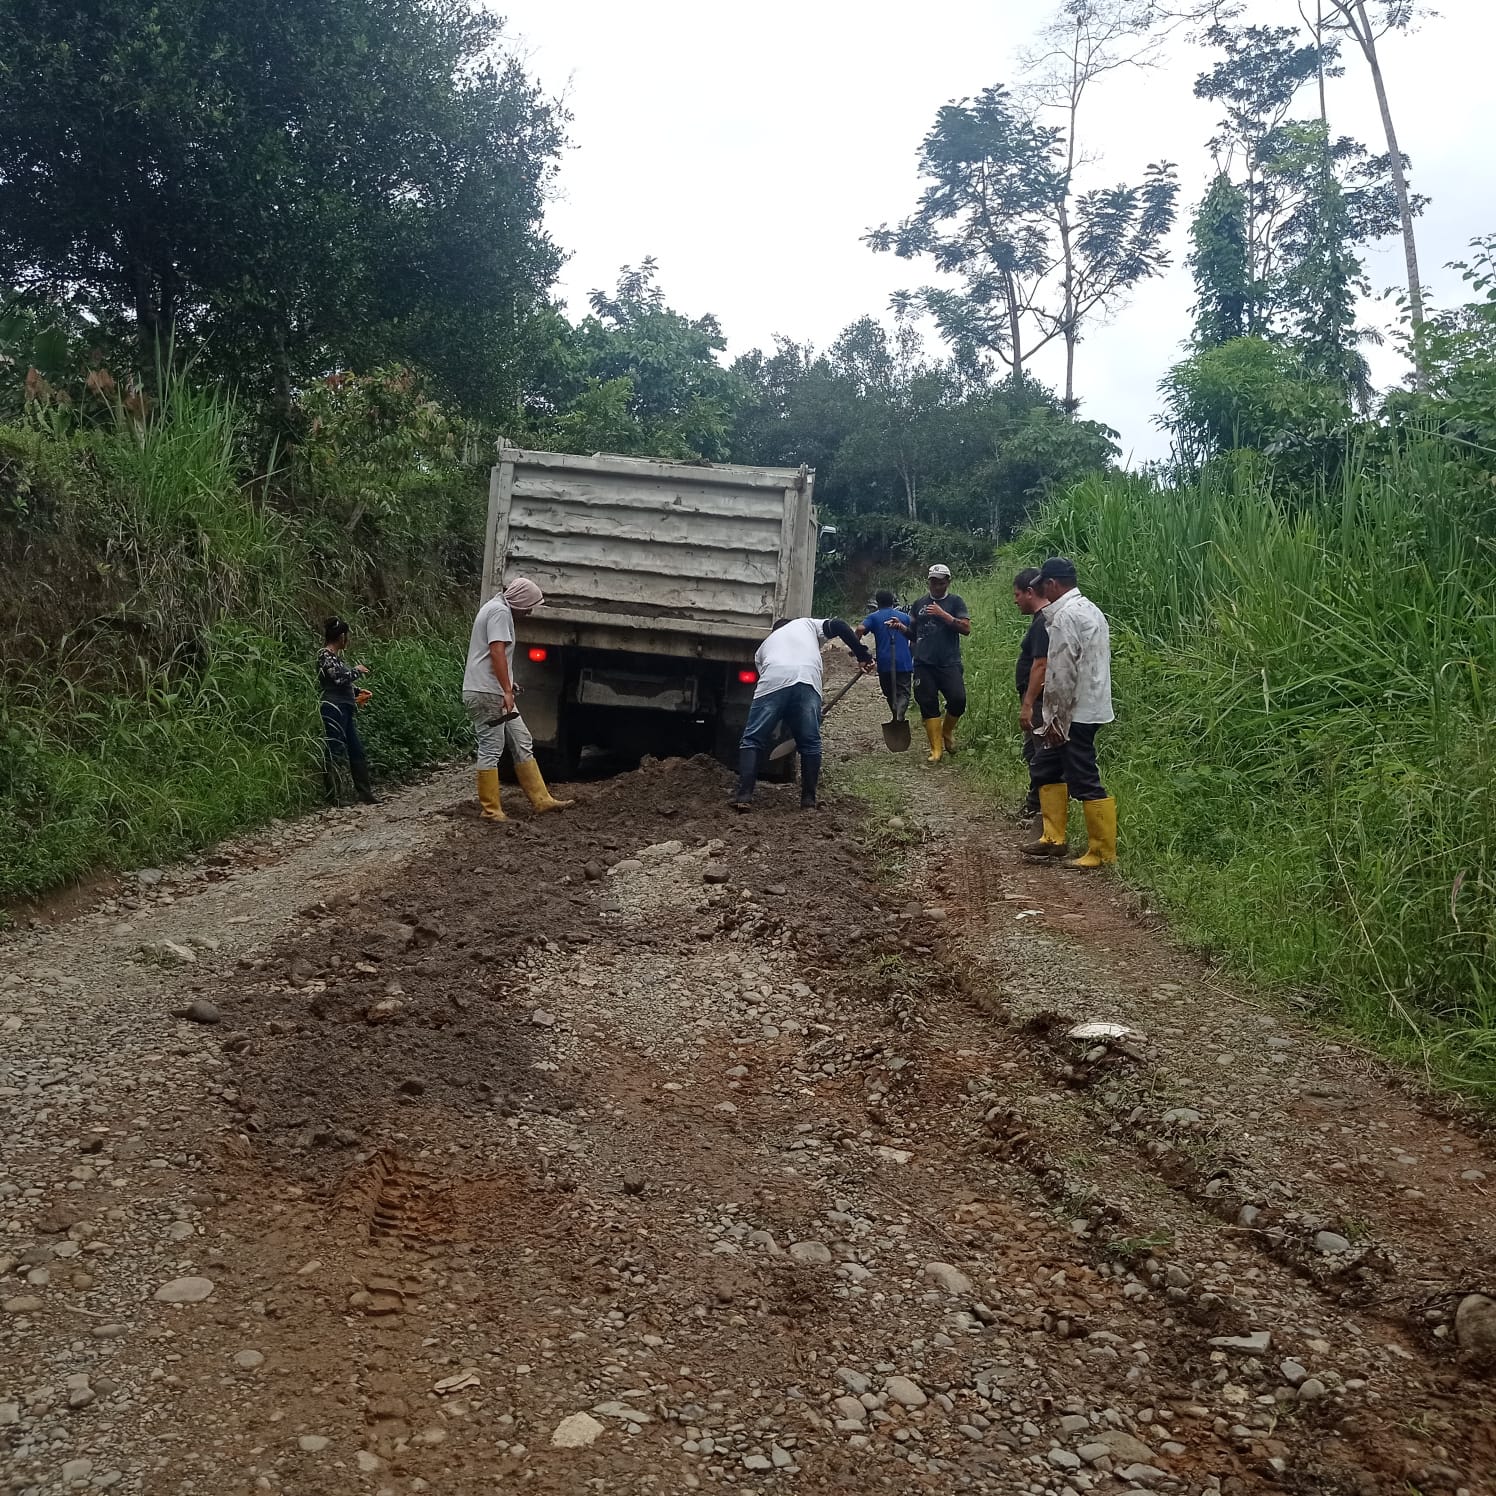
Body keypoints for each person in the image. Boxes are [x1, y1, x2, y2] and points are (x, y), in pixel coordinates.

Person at [1023, 555, 1116, 868]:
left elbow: (1061, 674)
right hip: (1091, 703)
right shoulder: (1090, 609)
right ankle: (1053, 838)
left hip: (1075, 712)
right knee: (1045, 767)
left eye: (1043, 585)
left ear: (1052, 584)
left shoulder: (1065, 617)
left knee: (1084, 776)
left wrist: (1055, 720)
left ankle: (1101, 852)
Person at [730, 616, 875, 812]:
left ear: (775, 632)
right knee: (811, 744)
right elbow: (840, 625)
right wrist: (863, 655)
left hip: (774, 678)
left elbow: (780, 697)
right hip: (807, 679)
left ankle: (744, 796)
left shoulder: (763, 648)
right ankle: (808, 801)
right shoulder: (806, 623)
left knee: (752, 739)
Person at [462, 577, 573, 822]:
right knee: (491, 748)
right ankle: (490, 810)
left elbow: (489, 655)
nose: (530, 611)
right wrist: (506, 690)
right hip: (488, 694)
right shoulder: (500, 612)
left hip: (492, 691)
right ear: (520, 601)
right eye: (529, 606)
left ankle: (542, 800)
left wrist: (508, 684)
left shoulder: (496, 608)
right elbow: (496, 651)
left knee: (522, 740)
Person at [892, 563, 971, 763]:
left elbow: (966, 628)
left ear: (948, 582)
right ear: (929, 582)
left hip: (949, 662)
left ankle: (947, 732)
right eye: (933, 582)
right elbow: (914, 634)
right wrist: (901, 628)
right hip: (923, 663)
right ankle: (936, 749)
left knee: (958, 700)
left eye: (941, 582)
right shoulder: (919, 604)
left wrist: (942, 614)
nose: (937, 586)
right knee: (927, 702)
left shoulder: (955, 602)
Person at [317, 618, 377, 805]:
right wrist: (356, 671)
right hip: (334, 707)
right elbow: (338, 679)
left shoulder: (335, 657)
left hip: (345, 706)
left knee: (356, 749)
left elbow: (342, 681)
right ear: (342, 636)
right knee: (334, 748)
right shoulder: (325, 655)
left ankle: (364, 792)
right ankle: (333, 796)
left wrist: (357, 691)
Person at [1013, 567, 1049, 818]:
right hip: (1034, 698)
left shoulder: (1042, 622)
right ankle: (1035, 803)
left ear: (1029, 592)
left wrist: (1028, 703)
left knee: (1041, 754)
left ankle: (1040, 809)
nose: (1015, 601)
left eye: (1017, 595)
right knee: (1032, 752)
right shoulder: (1042, 620)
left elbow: (1041, 665)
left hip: (1038, 700)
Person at [856, 590, 913, 723]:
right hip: (903, 661)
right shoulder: (904, 617)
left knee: (889, 692)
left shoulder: (873, 617)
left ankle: (896, 716)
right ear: (893, 601)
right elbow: (913, 635)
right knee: (903, 692)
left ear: (877, 602)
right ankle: (900, 715)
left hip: (884, 662)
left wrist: (856, 647)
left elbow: (860, 629)